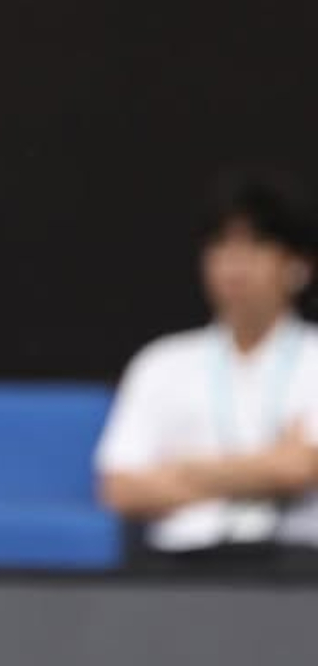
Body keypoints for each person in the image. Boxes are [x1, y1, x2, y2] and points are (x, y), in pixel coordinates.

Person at [95, 169, 318, 573]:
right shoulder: (161, 362)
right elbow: (120, 487)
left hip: (296, 566)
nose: (234, 264)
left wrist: (183, 471)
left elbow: (302, 468)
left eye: (255, 245)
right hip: (183, 563)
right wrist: (268, 468)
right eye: (221, 245)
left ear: (297, 265)